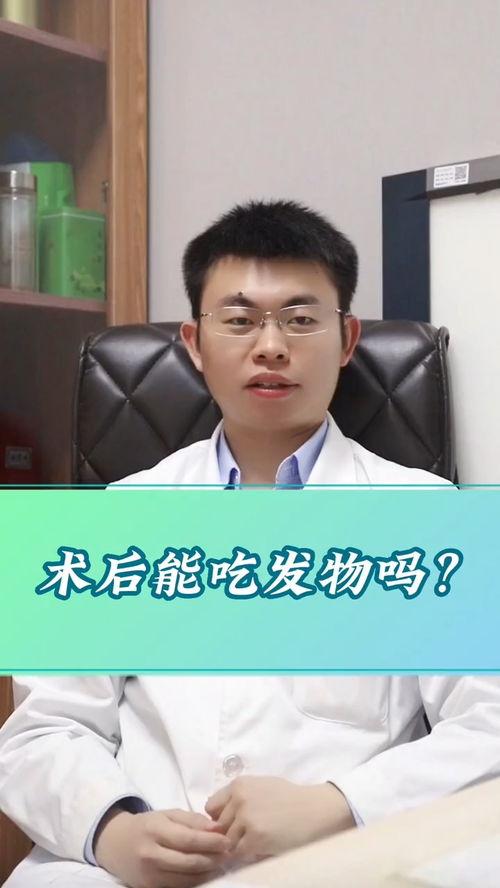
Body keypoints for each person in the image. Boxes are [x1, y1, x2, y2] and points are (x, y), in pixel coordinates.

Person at [1, 200, 500, 888]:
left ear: (347, 339)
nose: (270, 346)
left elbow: (488, 726)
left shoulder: (431, 519)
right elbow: (42, 731)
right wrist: (114, 830)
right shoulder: (114, 519)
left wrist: (342, 805)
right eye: (239, 320)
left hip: (348, 863)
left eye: (300, 318)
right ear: (194, 343)